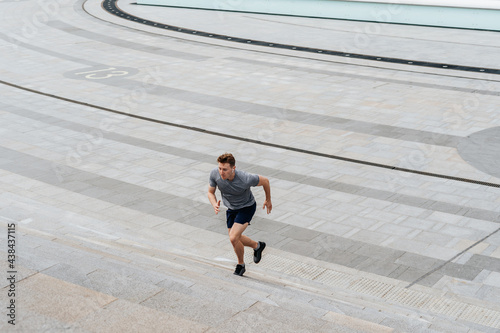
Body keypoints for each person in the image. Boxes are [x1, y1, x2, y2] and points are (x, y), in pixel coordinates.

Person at [208, 153, 272, 276]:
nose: (221, 172)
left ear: (233, 168)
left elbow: (265, 181)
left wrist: (268, 199)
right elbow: (210, 192)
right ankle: (257, 246)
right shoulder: (214, 174)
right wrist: (214, 203)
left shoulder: (245, 178)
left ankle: (240, 265)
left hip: (246, 207)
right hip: (231, 208)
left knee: (233, 237)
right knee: (235, 238)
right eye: (220, 168)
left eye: (225, 169)